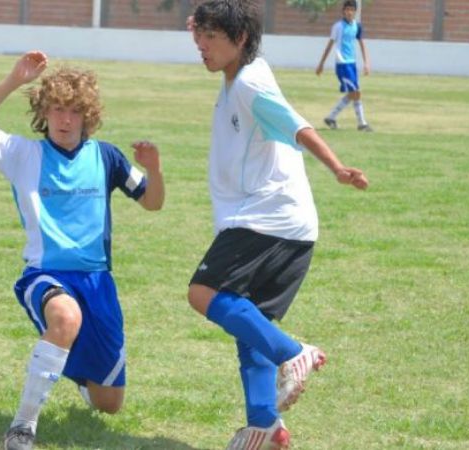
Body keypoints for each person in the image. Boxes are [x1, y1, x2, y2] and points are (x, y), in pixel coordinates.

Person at [0, 51, 165, 450]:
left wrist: (154, 169)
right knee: (65, 317)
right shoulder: (23, 154)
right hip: (45, 275)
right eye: (56, 109)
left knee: (108, 404)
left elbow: (152, 202)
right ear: (44, 112)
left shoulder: (106, 157)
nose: (65, 120)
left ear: (88, 115)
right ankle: (22, 427)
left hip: (98, 282)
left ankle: (67, 365)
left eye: (74, 111)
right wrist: (13, 81)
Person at [187, 1, 368, 448]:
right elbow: (221, 28)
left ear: (240, 39)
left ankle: (294, 353)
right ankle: (265, 426)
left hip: (266, 220)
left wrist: (337, 168)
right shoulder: (244, 70)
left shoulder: (250, 84)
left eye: (211, 37)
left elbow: (298, 127)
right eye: (199, 35)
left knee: (203, 293)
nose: (201, 45)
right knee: (251, 330)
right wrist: (204, 20)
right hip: (289, 225)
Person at [316, 0, 373, 132]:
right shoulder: (338, 27)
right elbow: (330, 45)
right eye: (347, 9)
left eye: (351, 10)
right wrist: (321, 64)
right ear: (343, 11)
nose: (349, 12)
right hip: (342, 64)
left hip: (352, 64)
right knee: (356, 92)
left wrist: (366, 63)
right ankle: (361, 124)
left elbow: (362, 44)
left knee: (354, 93)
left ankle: (331, 117)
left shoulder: (357, 26)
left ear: (355, 11)